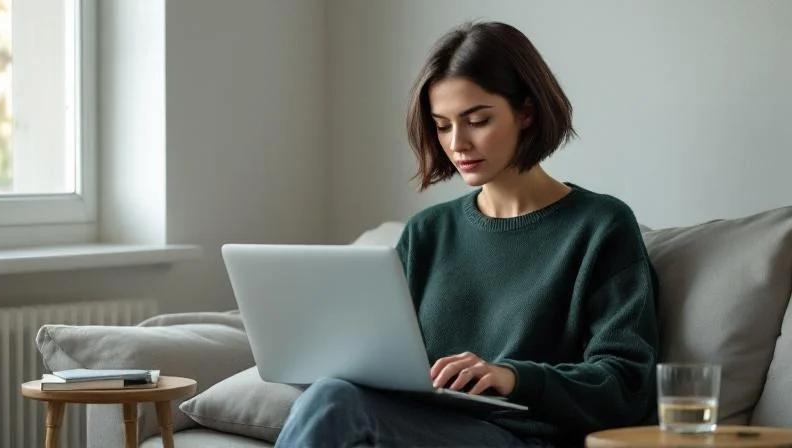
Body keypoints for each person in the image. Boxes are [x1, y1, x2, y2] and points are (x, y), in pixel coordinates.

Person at [275, 20, 660, 447]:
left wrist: (512, 377)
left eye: (476, 120)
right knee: (333, 395)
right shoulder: (427, 233)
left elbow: (627, 383)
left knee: (334, 405)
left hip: (525, 438)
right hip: (424, 427)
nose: (457, 143)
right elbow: (384, 359)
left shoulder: (600, 226)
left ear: (526, 112)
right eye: (442, 125)